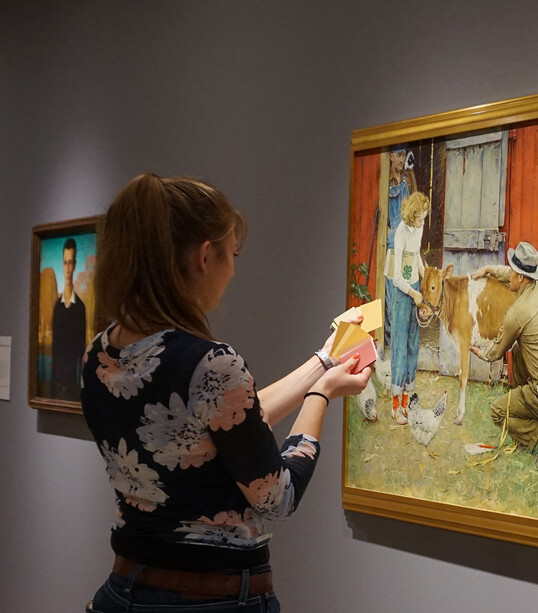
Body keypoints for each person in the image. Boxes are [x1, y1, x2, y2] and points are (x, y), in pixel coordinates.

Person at [82, 174, 371, 612]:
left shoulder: (98, 355)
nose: (233, 270)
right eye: (231, 254)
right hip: (211, 599)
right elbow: (278, 496)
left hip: (124, 590)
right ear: (204, 256)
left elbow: (225, 425)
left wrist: (325, 359)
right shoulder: (210, 362)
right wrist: (322, 394)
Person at [469, 242, 538, 469]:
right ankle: (527, 423)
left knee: (499, 411)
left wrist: (480, 352)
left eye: (512, 271)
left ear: (520, 277)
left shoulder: (518, 314)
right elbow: (507, 274)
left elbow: (496, 352)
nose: (509, 274)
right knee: (520, 349)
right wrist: (489, 269)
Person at [386, 191, 430, 423]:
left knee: (413, 344)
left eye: (424, 218)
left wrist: (424, 272)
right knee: (400, 346)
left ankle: (406, 402)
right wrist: (413, 294)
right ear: (412, 216)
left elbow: (415, 255)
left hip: (414, 287)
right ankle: (395, 407)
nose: (423, 223)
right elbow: (396, 278)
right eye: (420, 219)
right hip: (402, 292)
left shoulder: (418, 229)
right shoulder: (400, 233)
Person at [383, 147, 418, 351]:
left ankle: (401, 344)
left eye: (403, 155)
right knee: (392, 297)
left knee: (406, 293)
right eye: (398, 155)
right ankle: (391, 344)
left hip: (407, 246)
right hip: (392, 246)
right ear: (390, 156)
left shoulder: (407, 178)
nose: (401, 159)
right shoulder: (386, 182)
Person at [51, 237, 86, 401]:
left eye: (70, 263)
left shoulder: (80, 307)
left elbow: (81, 351)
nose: (67, 268)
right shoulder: (57, 307)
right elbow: (54, 349)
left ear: (75, 265)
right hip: (56, 387)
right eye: (65, 263)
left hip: (73, 388)